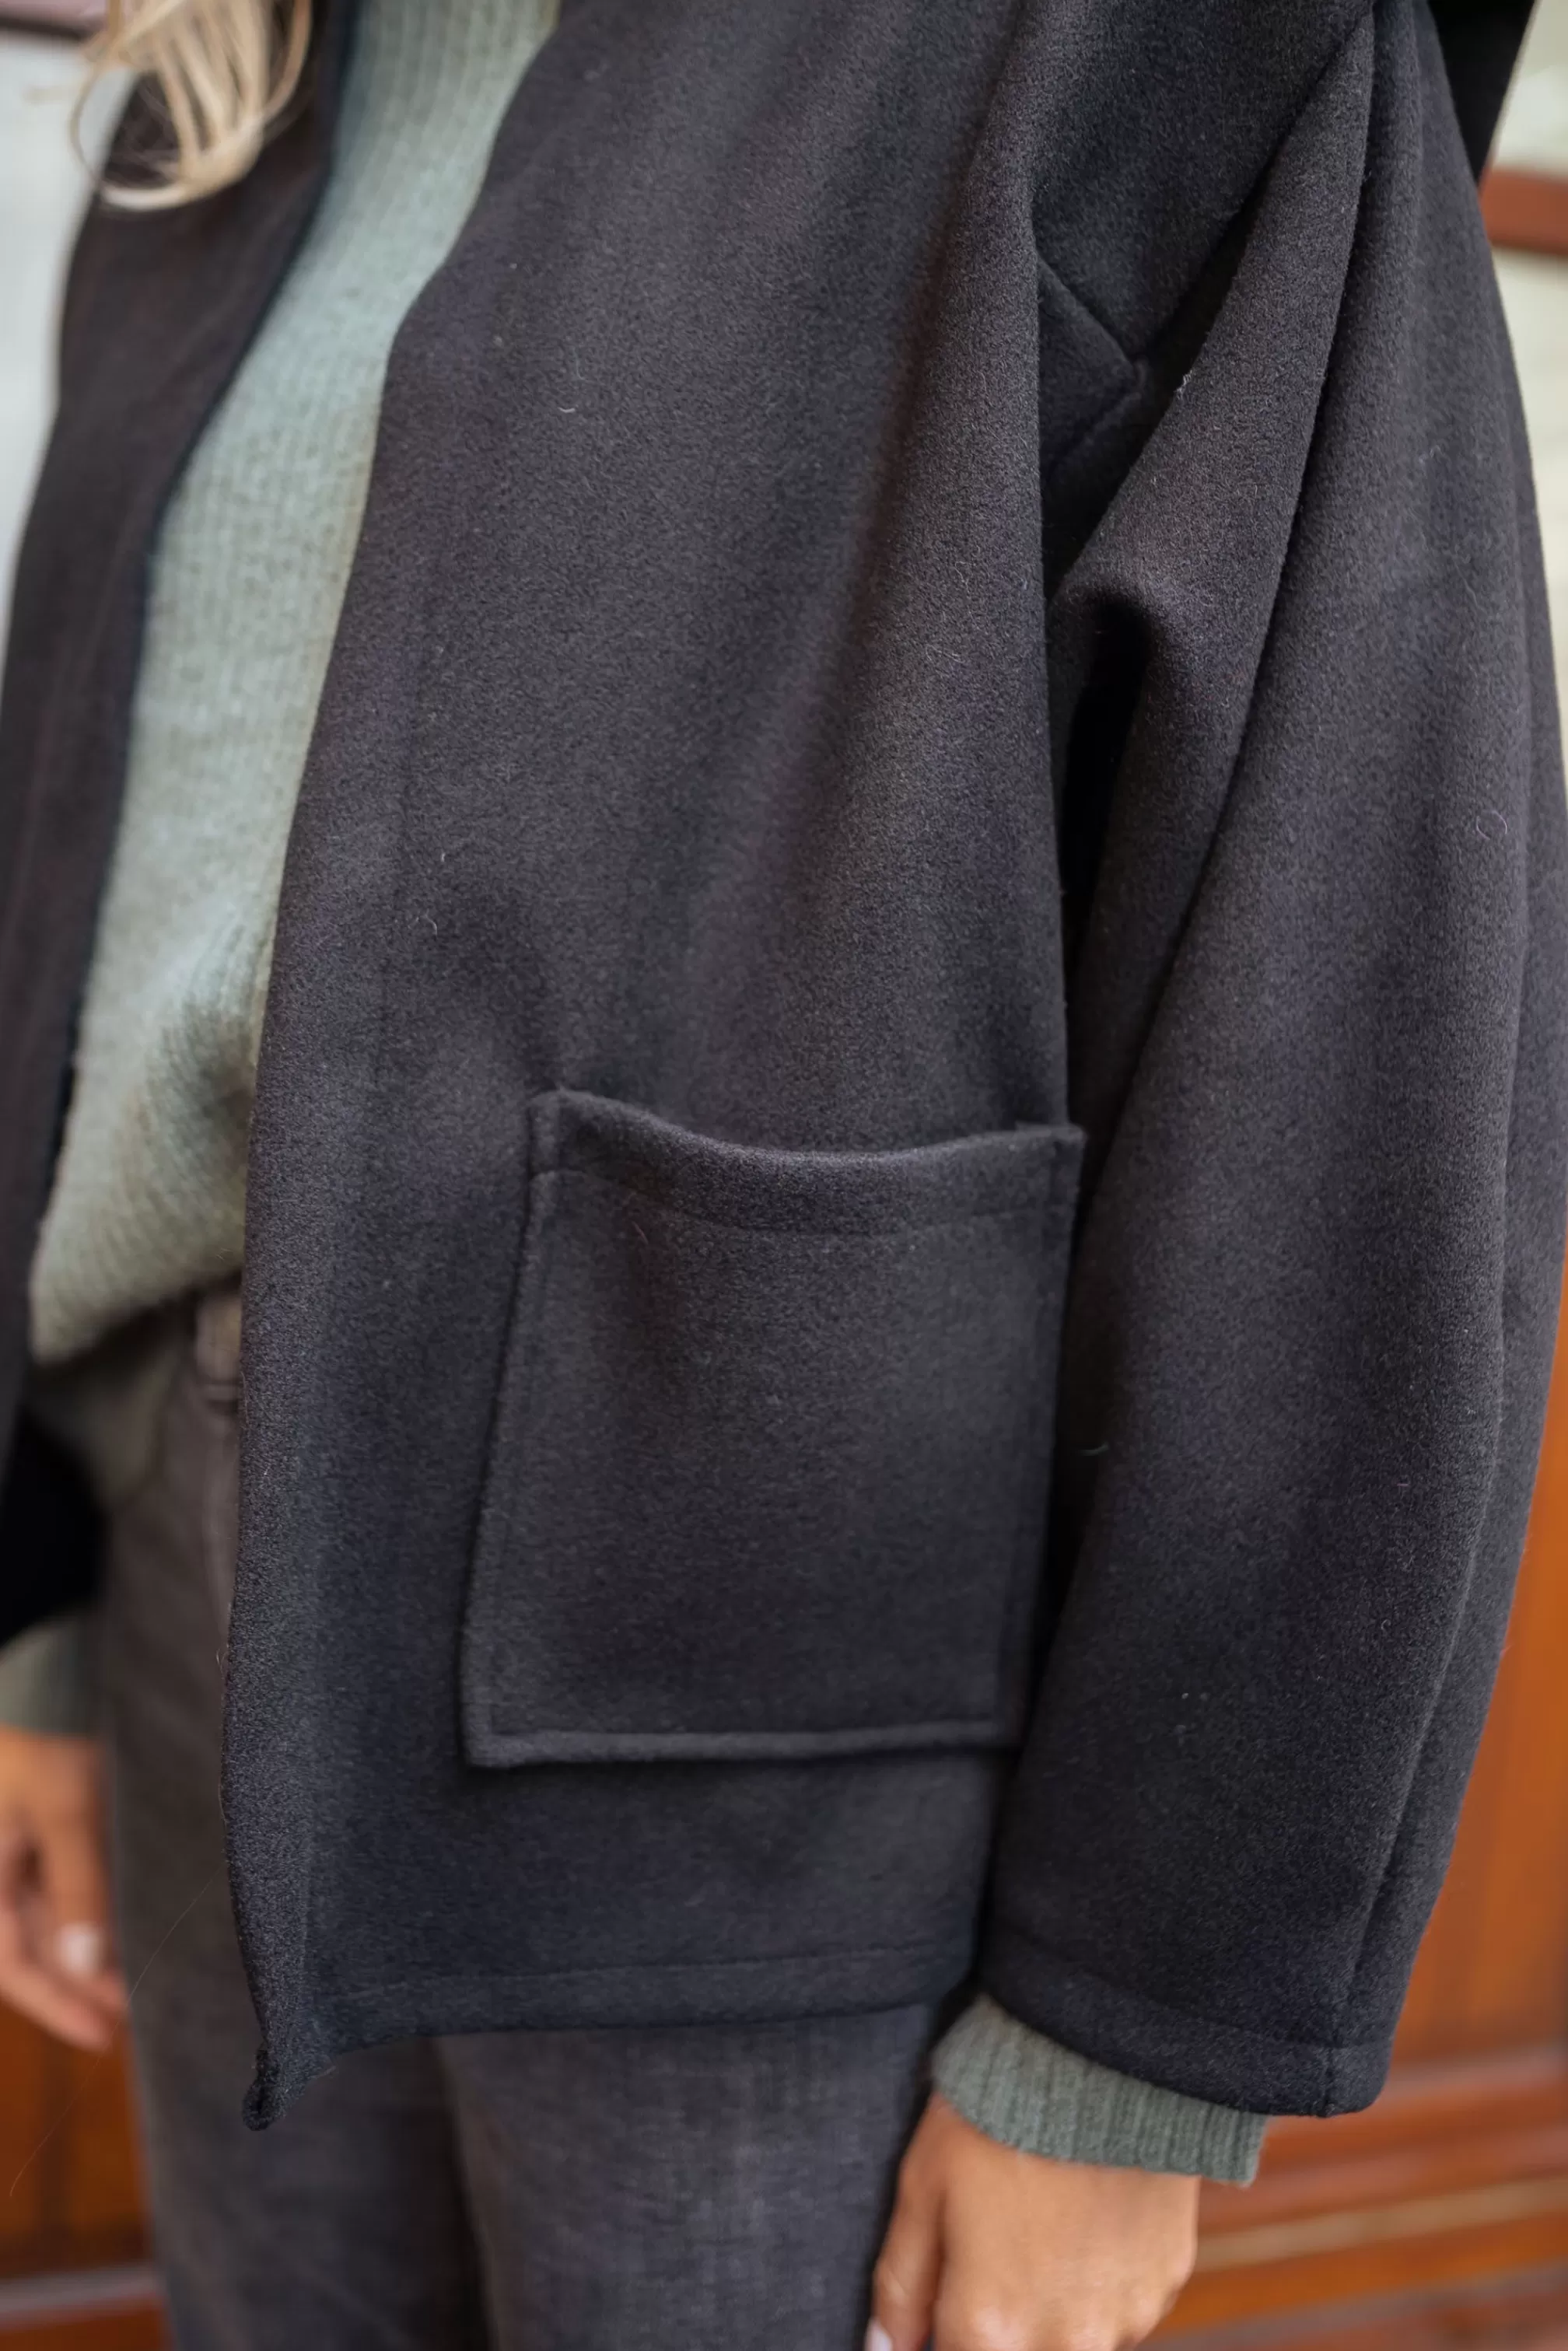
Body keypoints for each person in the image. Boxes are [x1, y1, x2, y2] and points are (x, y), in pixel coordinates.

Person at [0, 0, 1563, 2344]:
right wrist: (32, 1614)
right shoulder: (221, 88)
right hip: (186, 1600)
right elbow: (88, 858)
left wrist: (1138, 2031)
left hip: (746, 1714)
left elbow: (1347, 1005)